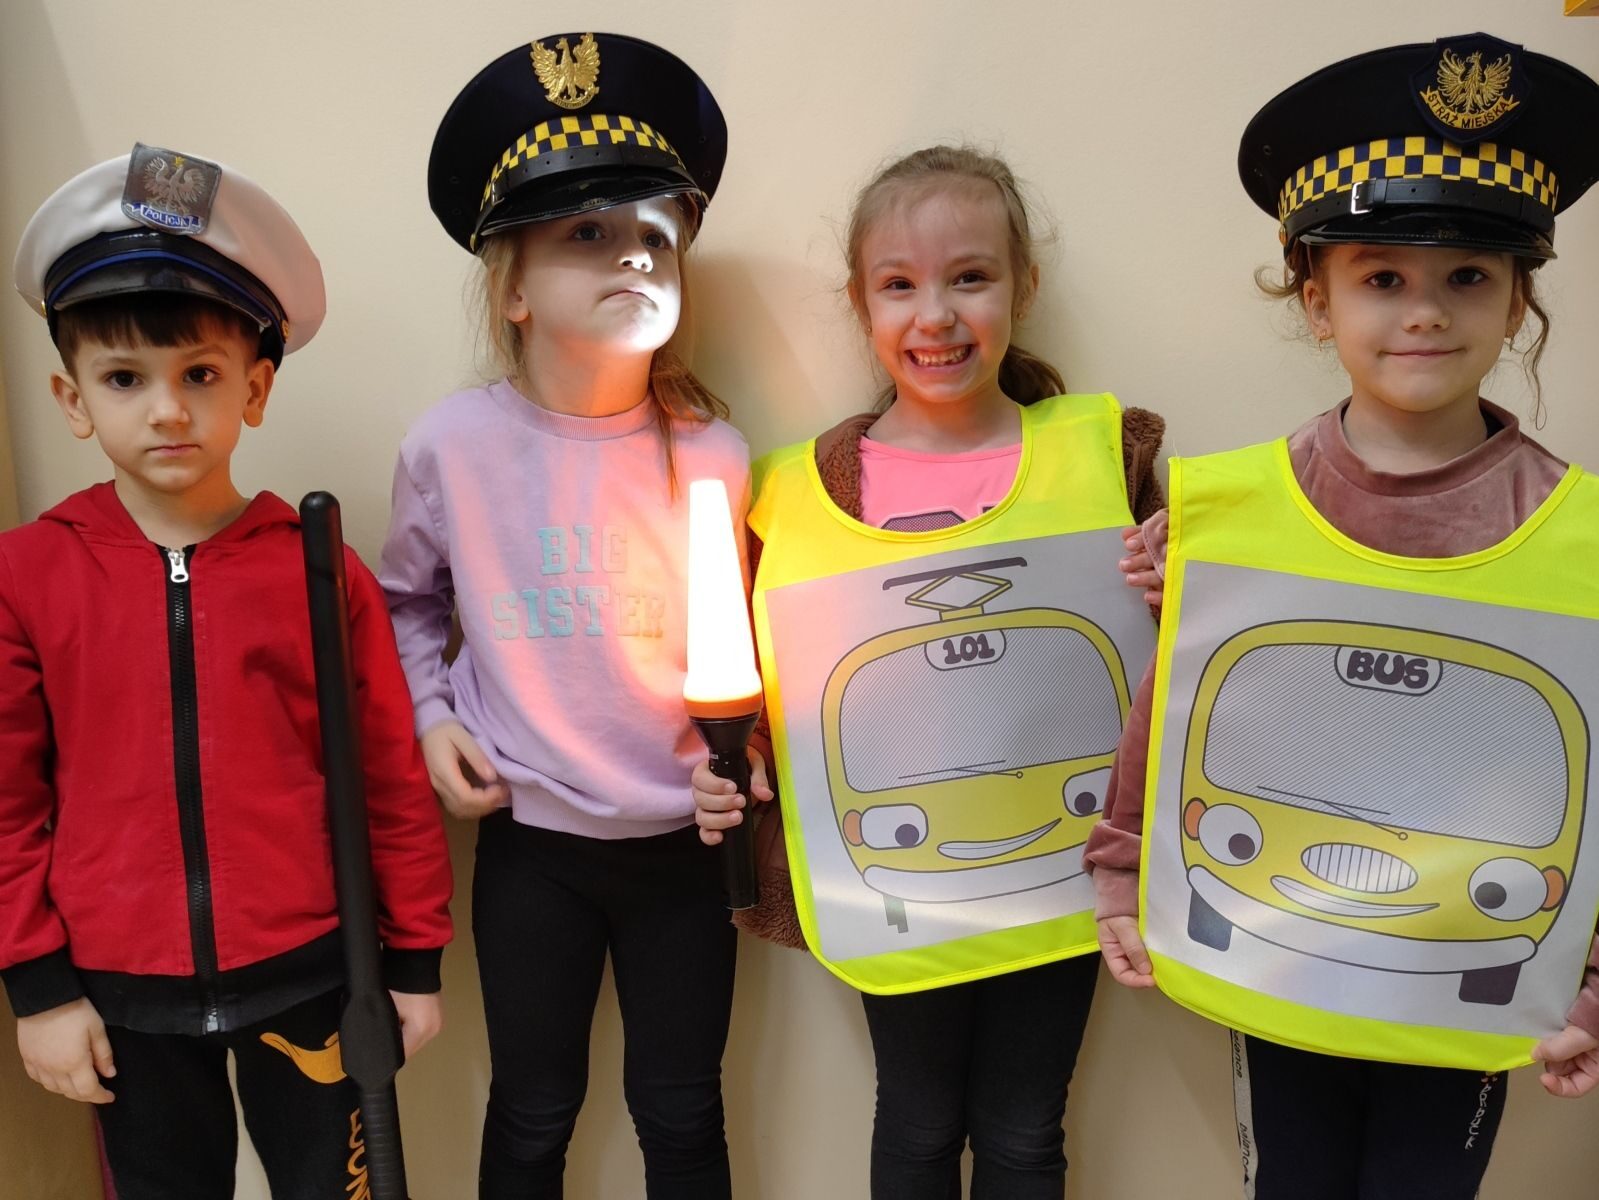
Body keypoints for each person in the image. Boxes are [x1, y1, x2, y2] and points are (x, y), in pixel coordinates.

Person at [1087, 33, 1599, 1199]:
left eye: (1467, 277)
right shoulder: (1227, 513)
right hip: (1282, 953)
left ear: (1518, 300)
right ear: (1316, 300)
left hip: (1462, 973)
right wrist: (1121, 869)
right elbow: (1171, 710)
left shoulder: (1582, 541)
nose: (1425, 314)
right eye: (1382, 279)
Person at [694, 144, 1165, 1198]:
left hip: (1062, 865)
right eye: (899, 284)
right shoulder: (803, 489)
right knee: (914, 1119)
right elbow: (774, 684)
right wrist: (740, 759)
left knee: (1024, 1128)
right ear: (860, 303)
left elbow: (1182, 660)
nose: (936, 315)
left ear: (1021, 287)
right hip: (901, 874)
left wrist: (1177, 579)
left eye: (970, 277)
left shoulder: (1105, 456)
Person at [1, 143, 453, 1199]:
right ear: (73, 398)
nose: (167, 409)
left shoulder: (316, 567)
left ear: (253, 388)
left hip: (314, 976)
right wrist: (38, 986)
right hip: (120, 996)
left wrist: (412, 961)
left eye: (199, 375)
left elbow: (386, 777)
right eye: (125, 378)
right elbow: (9, 801)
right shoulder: (27, 575)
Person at [381, 33, 747, 1200]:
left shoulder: (716, 454)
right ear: (512, 287)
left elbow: (755, 646)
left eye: (654, 234)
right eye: (585, 233)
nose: (631, 253)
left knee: (683, 1111)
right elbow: (404, 601)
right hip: (532, 847)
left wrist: (748, 767)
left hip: (684, 850)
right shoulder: (452, 446)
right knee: (533, 1109)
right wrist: (433, 715)